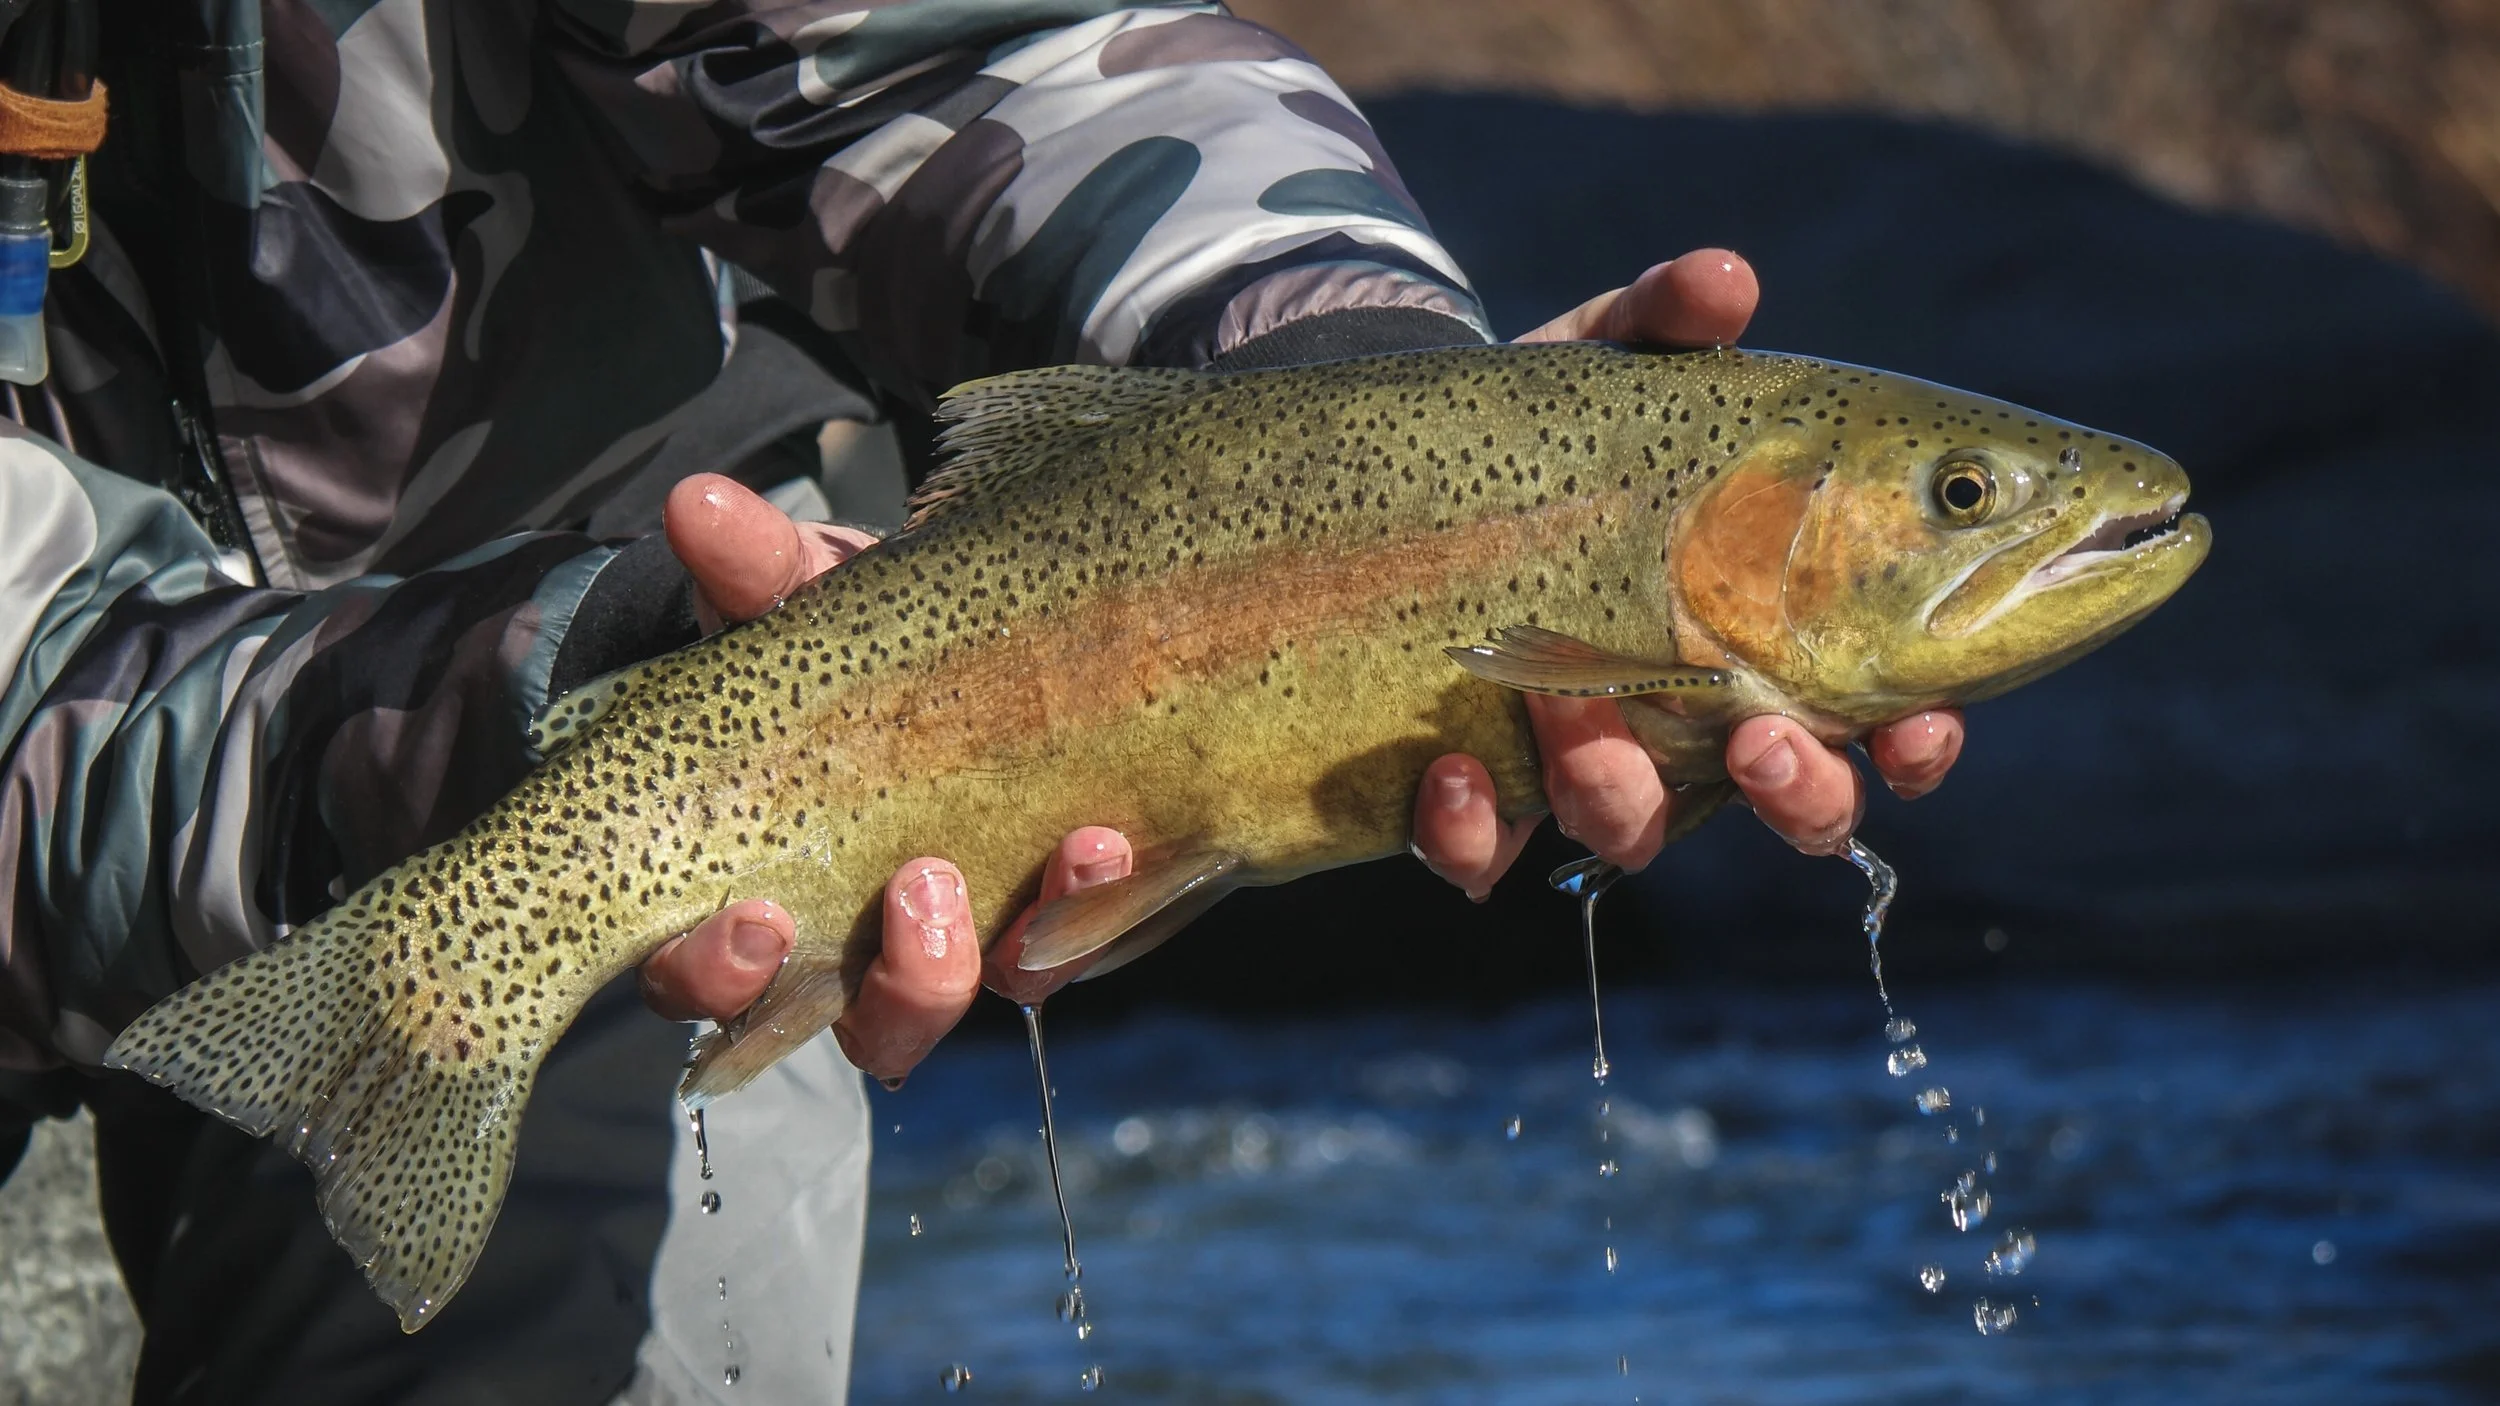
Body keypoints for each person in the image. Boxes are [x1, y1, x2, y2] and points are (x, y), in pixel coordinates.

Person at [0, 2, 1963, 1401]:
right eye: (1961, 498)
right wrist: (481, 728)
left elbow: (962, 39)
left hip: (645, 680)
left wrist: (1326, 356)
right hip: (461, 721)